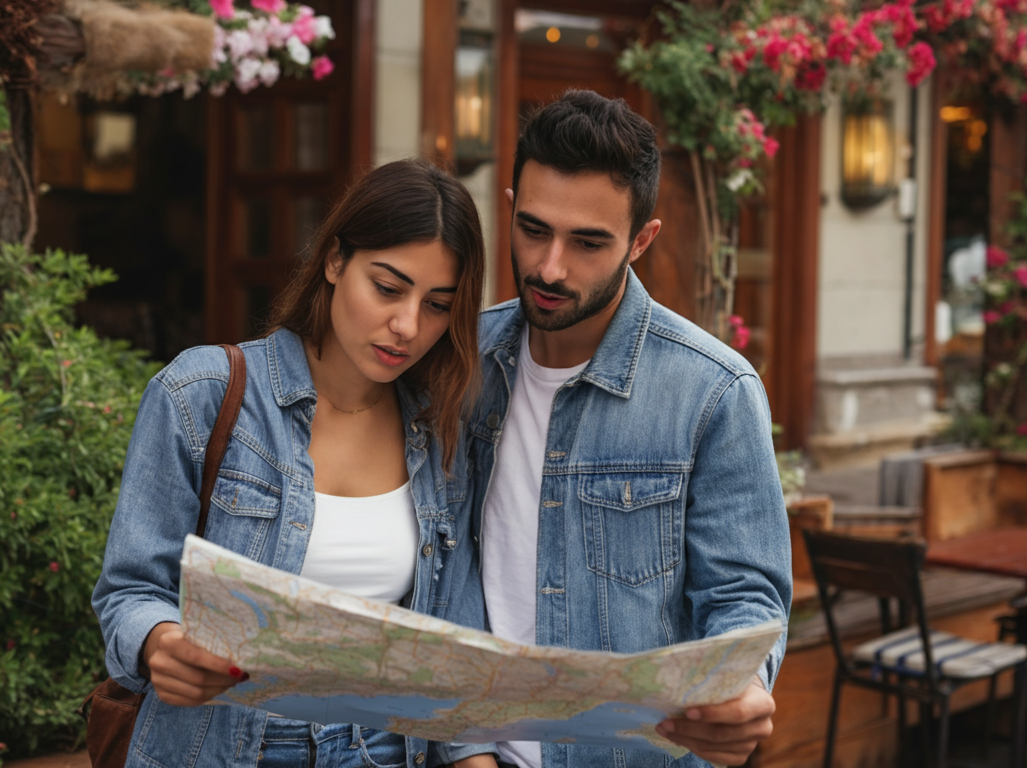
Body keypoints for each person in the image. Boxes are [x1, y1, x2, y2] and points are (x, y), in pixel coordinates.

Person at [437, 90, 794, 768]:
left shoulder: (713, 391)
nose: (550, 267)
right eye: (534, 229)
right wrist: (465, 753)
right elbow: (438, 571)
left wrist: (739, 688)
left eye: (589, 242)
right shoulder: (459, 363)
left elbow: (744, 596)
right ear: (509, 206)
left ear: (642, 240)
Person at [92, 159, 488, 768]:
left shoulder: (441, 436)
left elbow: (452, 652)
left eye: (437, 304)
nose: (407, 325)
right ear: (334, 261)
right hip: (222, 748)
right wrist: (161, 643)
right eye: (387, 287)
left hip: (383, 750)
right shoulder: (200, 394)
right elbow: (131, 589)